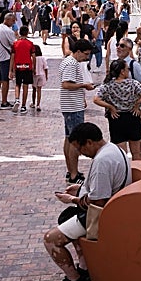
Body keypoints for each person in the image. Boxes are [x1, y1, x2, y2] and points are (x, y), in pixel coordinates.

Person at [42, 122, 131, 281]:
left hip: (103, 216)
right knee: (67, 218)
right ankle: (84, 267)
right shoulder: (114, 149)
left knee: (50, 240)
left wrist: (74, 199)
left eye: (79, 148)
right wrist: (81, 188)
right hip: (115, 208)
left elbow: (98, 200)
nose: (80, 153)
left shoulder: (101, 162)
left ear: (89, 142)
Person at [95, 58, 141, 161]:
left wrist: (110, 107)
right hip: (132, 116)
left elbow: (96, 99)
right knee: (137, 153)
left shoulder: (108, 85)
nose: (128, 71)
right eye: (127, 69)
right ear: (122, 71)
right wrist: (136, 104)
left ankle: (124, 174)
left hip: (116, 118)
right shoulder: (132, 83)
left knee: (121, 155)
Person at [58, 39, 95, 183]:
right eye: (85, 54)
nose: (86, 57)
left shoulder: (69, 62)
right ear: (78, 52)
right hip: (73, 107)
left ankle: (71, 170)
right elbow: (66, 84)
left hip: (71, 105)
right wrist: (84, 85)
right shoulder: (71, 64)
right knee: (75, 141)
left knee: (69, 138)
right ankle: (73, 174)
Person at [0, 12, 18, 111]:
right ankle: (4, 102)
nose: (14, 23)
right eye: (13, 21)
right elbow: (15, 45)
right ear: (8, 19)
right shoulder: (8, 31)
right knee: (5, 80)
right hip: (5, 58)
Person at [12, 26, 34, 114]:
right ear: (27, 32)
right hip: (27, 66)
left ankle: (17, 99)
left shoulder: (15, 44)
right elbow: (33, 56)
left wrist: (11, 69)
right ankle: (24, 106)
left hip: (18, 66)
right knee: (25, 86)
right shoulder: (30, 44)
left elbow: (12, 56)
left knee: (17, 84)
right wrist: (34, 67)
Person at [31, 43, 48, 111]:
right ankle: (38, 104)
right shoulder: (43, 58)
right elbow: (46, 68)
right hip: (42, 75)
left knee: (34, 90)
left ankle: (33, 103)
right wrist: (46, 76)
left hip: (34, 75)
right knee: (39, 90)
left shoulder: (32, 58)